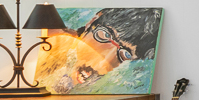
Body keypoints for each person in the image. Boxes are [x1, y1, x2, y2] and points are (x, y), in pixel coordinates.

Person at [33, 8, 162, 93]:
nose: (103, 63)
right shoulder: (53, 40)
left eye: (125, 54)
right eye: (105, 36)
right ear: (92, 22)